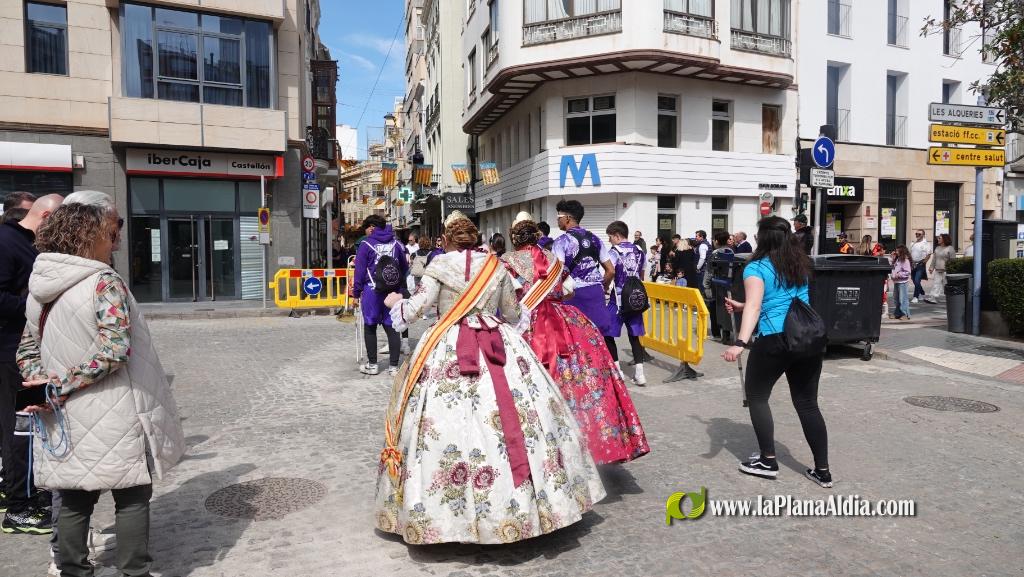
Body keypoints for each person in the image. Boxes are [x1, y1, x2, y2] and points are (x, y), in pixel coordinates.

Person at [374, 211, 605, 544]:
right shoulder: (495, 266)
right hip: (498, 345)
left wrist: (395, 300)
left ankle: (444, 514)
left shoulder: (437, 266)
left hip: (448, 343)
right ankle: (529, 504)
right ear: (475, 239)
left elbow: (415, 310)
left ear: (447, 239)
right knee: (521, 416)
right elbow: (512, 314)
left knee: (437, 425)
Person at [18, 193, 185, 577]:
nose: (115, 243)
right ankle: (133, 571)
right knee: (131, 494)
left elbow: (27, 348)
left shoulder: (39, 286)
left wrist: (40, 387)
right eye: (110, 235)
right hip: (113, 405)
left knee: (75, 496)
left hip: (61, 413)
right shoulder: (102, 282)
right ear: (86, 236)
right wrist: (59, 385)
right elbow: (115, 350)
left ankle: (74, 570)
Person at [503, 213, 649, 463]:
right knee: (583, 374)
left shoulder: (507, 261)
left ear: (514, 238)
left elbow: (506, 302)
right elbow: (564, 289)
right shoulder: (553, 256)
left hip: (528, 324)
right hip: (563, 320)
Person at [721, 216, 832, 488]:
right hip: (807, 337)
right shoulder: (800, 263)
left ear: (763, 238)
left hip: (775, 339)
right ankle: (823, 471)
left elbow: (757, 307)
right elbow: (775, 298)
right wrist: (741, 306)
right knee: (807, 404)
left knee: (757, 397)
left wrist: (741, 342)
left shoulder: (755, 267)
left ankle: (768, 461)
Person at [0, 193, 62, 535]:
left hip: (23, 350)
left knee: (23, 428)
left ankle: (23, 493)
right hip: (12, 353)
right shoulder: (8, 242)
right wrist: (35, 301)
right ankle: (18, 507)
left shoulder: (26, 242)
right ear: (46, 216)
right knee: (20, 430)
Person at [551, 200, 617, 362]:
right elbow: (611, 270)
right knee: (597, 338)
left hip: (573, 296)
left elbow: (557, 273)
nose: (557, 220)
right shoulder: (595, 239)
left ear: (567, 218)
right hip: (595, 292)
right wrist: (603, 285)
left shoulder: (560, 242)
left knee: (575, 340)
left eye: (558, 216)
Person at [353, 215, 409, 375]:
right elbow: (404, 268)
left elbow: (359, 271)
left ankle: (373, 365)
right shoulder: (396, 243)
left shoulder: (365, 244)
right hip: (392, 291)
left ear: (371, 227)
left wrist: (356, 293)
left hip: (372, 291)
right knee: (392, 328)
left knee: (370, 327)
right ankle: (393, 367)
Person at [605, 220, 653, 386]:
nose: (609, 240)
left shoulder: (614, 251)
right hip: (635, 298)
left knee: (608, 333)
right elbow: (642, 271)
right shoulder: (639, 249)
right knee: (635, 336)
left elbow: (609, 272)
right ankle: (640, 374)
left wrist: (604, 287)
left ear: (617, 236)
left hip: (617, 299)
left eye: (610, 237)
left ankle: (617, 371)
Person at [702, 232, 734, 340]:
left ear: (716, 241)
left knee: (714, 307)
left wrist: (705, 285)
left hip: (715, 284)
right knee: (726, 308)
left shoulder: (715, 254)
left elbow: (710, 271)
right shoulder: (731, 252)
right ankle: (726, 333)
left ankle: (716, 333)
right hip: (728, 284)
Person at [928, 234, 955, 304]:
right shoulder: (937, 248)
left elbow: (953, 260)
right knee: (936, 284)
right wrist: (931, 267)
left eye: (940, 238)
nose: (938, 239)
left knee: (946, 285)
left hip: (946, 271)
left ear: (944, 239)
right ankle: (933, 298)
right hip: (938, 270)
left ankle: (950, 299)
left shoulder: (950, 248)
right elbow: (934, 259)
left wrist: (951, 270)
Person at [890, 245, 912, 320]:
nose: (896, 252)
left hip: (902, 282)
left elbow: (907, 272)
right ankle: (897, 313)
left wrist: (898, 275)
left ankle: (905, 314)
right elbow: (893, 267)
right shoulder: (898, 259)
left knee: (903, 298)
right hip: (897, 281)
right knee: (896, 298)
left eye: (897, 251)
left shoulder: (905, 260)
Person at [909, 229, 932, 304]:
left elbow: (928, 255)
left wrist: (923, 262)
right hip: (912, 263)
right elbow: (909, 253)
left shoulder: (926, 244)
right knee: (913, 279)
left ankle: (915, 296)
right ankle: (921, 292)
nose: (917, 235)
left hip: (920, 264)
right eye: (916, 234)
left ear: (923, 235)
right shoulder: (912, 243)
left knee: (917, 279)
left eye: (919, 234)